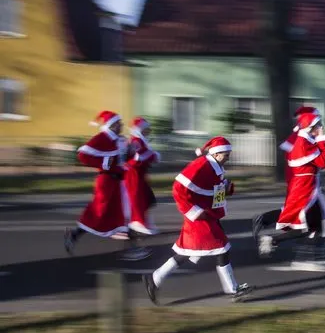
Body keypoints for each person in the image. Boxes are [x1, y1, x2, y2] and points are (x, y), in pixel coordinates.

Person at [142, 136, 253, 304]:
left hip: (208, 216)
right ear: (216, 154)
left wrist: (226, 188)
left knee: (185, 253)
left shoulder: (215, 166)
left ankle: (155, 278)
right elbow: (178, 188)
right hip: (200, 219)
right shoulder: (201, 165)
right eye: (226, 154)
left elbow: (214, 189)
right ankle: (232, 290)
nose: (228, 157)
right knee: (222, 249)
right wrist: (194, 212)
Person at [64, 111, 150, 260]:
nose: (122, 125)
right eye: (119, 123)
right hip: (106, 182)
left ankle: (131, 248)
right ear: (112, 125)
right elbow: (82, 155)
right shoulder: (102, 138)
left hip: (119, 183)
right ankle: (74, 235)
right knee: (99, 213)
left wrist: (131, 152)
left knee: (123, 215)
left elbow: (122, 159)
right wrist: (104, 163)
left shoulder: (119, 139)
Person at [257, 112, 325, 269]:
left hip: (309, 187)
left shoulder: (305, 140)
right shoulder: (304, 143)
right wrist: (322, 138)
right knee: (305, 226)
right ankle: (275, 241)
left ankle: (309, 256)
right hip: (305, 189)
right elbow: (324, 161)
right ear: (310, 127)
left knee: (315, 225)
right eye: (318, 125)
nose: (321, 127)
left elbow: (318, 165)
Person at [251, 106, 325, 240]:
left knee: (309, 214)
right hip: (301, 181)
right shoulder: (300, 137)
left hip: (305, 180)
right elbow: (320, 160)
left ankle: (315, 241)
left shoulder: (303, 134)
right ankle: (267, 227)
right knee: (297, 212)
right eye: (317, 121)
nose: (320, 125)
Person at [123, 117, 161, 258]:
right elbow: (134, 159)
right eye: (147, 129)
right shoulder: (135, 141)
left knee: (148, 201)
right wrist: (152, 156)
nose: (149, 131)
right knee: (136, 204)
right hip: (133, 178)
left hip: (140, 177)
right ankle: (134, 237)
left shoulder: (139, 140)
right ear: (140, 129)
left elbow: (142, 157)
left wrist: (151, 156)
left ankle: (144, 225)